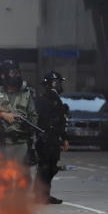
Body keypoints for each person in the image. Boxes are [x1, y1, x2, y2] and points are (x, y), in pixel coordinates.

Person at [34, 70, 69, 204]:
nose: (60, 85)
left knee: (52, 167)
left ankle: (44, 194)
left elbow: (61, 121)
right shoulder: (42, 100)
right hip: (44, 139)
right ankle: (39, 194)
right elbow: (38, 119)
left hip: (54, 139)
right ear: (54, 83)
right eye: (58, 83)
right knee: (44, 167)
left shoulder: (57, 100)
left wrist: (64, 138)